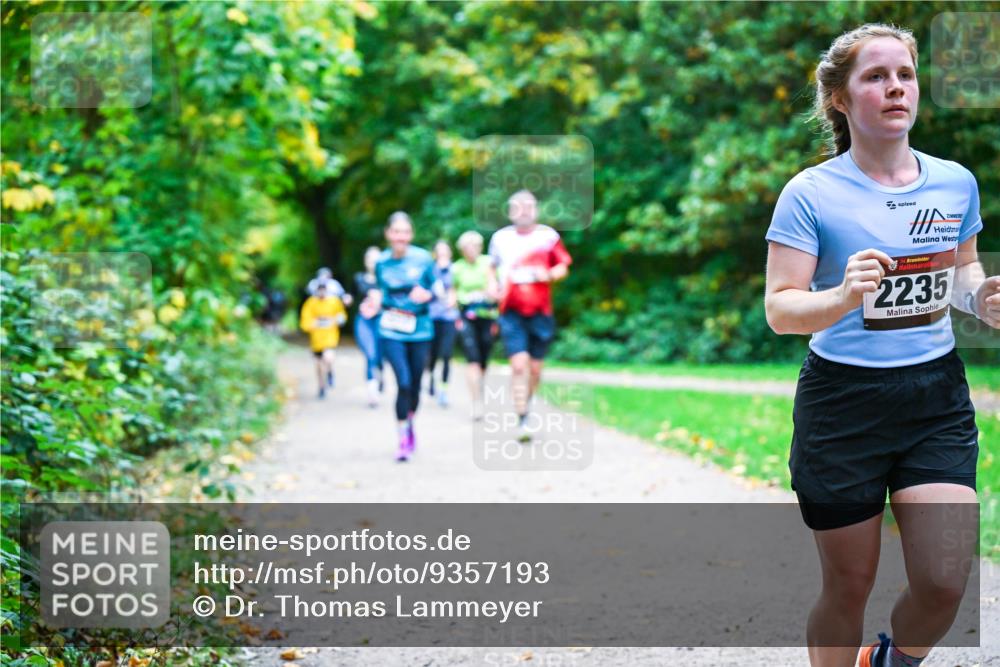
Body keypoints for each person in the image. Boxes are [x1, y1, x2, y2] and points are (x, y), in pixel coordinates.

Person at [763, 23, 999, 667]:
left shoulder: (954, 183)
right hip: (842, 405)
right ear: (839, 98)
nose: (895, 88)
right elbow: (781, 309)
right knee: (848, 584)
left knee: (945, 582)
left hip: (934, 398)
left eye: (905, 75)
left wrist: (980, 298)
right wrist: (841, 296)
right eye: (875, 77)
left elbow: (960, 273)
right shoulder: (810, 194)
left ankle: (890, 660)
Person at [488, 189, 572, 442]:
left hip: (540, 310)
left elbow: (563, 265)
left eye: (528, 206)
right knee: (518, 365)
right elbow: (490, 268)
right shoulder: (500, 238)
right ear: (511, 211)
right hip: (511, 310)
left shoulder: (548, 237)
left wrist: (550, 275)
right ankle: (522, 417)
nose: (523, 211)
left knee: (535, 369)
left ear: (535, 209)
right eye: (518, 207)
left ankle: (528, 404)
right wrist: (492, 286)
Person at [369, 211, 436, 462]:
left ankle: (410, 422)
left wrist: (427, 295)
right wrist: (374, 301)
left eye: (405, 232)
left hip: (420, 329)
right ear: (388, 234)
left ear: (411, 235)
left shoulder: (423, 259)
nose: (400, 237)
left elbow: (436, 289)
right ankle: (402, 437)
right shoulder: (381, 262)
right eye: (396, 232)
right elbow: (379, 291)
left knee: (416, 385)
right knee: (404, 382)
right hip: (390, 328)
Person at [450, 230, 500, 420]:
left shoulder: (489, 263)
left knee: (484, 359)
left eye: (474, 246)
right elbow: (453, 291)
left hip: (488, 315)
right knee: (472, 359)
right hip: (466, 317)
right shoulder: (457, 268)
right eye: (466, 247)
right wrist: (453, 305)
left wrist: (492, 292)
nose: (471, 250)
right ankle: (476, 401)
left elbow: (497, 286)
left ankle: (479, 386)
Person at [299, 279, 347, 400]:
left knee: (328, 358)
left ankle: (330, 373)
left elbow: (341, 316)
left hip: (330, 336)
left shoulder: (334, 302)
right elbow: (305, 321)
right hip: (316, 340)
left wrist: (334, 321)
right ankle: (321, 386)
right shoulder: (311, 303)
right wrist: (313, 324)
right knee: (318, 364)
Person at [426, 239, 460, 407]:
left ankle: (443, 390)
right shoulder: (430, 270)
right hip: (432, 317)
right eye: (439, 251)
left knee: (446, 354)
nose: (442, 254)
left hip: (449, 317)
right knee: (432, 354)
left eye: (445, 250)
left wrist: (454, 299)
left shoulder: (455, 269)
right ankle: (431, 375)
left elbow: (458, 289)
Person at [354, 246, 384, 408]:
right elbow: (352, 297)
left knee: (379, 356)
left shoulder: (386, 279)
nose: (373, 262)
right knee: (370, 354)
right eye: (370, 259)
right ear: (366, 261)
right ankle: (372, 391)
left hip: (382, 320)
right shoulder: (359, 279)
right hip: (364, 321)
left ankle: (380, 376)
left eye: (376, 259)